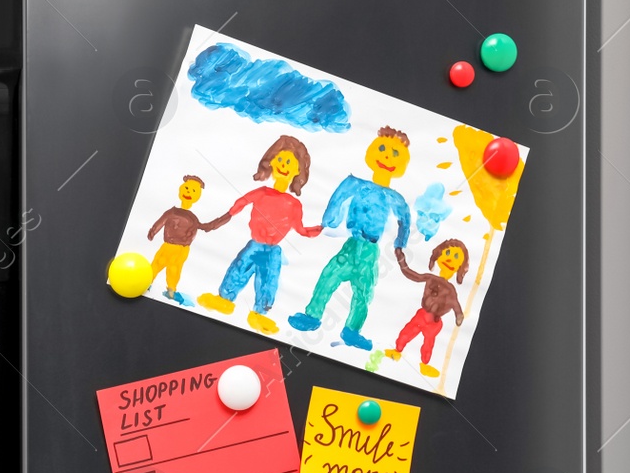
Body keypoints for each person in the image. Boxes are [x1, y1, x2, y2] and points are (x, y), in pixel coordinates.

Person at [287, 127, 413, 350]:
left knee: (364, 291)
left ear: (402, 164)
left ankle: (352, 331)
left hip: (370, 252)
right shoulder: (355, 183)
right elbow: (338, 198)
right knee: (329, 275)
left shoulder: (395, 198)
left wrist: (399, 245)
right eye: (382, 149)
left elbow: (405, 219)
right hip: (352, 245)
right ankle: (313, 316)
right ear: (371, 152)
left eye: (395, 155)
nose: (386, 157)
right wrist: (327, 223)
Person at [198, 136, 322, 334]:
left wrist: (312, 231)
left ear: (298, 170)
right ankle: (223, 300)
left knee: (267, 283)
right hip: (254, 245)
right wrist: (220, 220)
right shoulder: (262, 192)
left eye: (289, 162)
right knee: (238, 270)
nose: (283, 165)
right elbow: (240, 203)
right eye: (280, 160)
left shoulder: (294, 204)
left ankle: (259, 314)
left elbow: (299, 228)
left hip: (272, 252)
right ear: (271, 161)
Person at [385, 239, 469, 377]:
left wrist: (459, 316)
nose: (449, 258)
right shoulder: (430, 278)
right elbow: (412, 275)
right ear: (439, 255)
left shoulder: (451, 290)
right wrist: (402, 260)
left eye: (455, 257)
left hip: (434, 323)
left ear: (460, 266)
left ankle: (424, 364)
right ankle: (397, 350)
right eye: (447, 253)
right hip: (421, 315)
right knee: (407, 333)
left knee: (428, 344)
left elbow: (455, 305)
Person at [146, 175, 217, 305]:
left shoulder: (193, 218)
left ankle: (171, 291)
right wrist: (153, 230)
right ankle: (146, 283)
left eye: (194, 191)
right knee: (157, 263)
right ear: (181, 189)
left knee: (174, 268)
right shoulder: (172, 211)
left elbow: (204, 226)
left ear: (198, 196)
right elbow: (161, 222)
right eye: (187, 188)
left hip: (182, 249)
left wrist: (219, 221)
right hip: (167, 245)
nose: (189, 192)